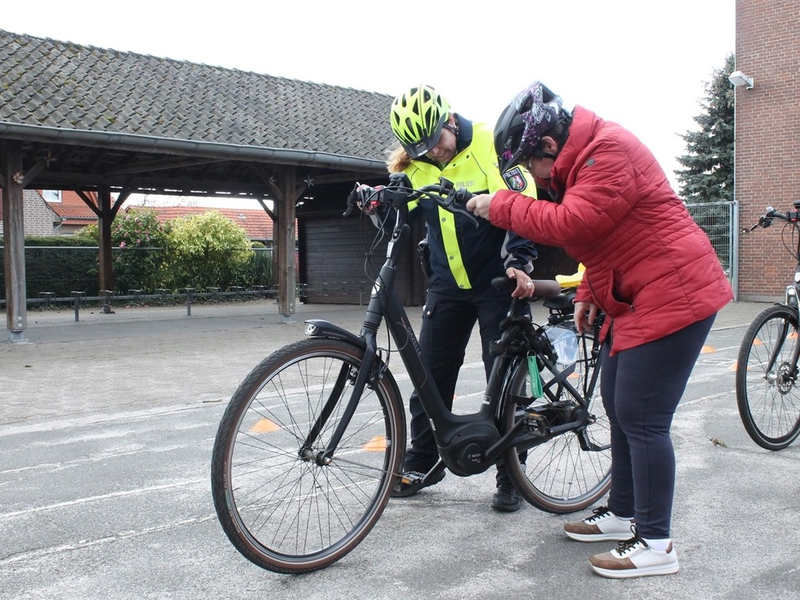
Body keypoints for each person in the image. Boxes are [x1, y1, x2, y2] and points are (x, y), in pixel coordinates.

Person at [466, 81, 733, 576]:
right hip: (640, 293)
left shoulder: (607, 150)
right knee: (616, 399)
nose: (535, 179)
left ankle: (656, 544)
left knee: (643, 415)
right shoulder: (584, 156)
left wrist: (498, 203)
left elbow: (575, 224)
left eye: (531, 167)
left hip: (677, 292)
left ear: (548, 145)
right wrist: (589, 291)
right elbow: (606, 238)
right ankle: (623, 513)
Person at [384, 84, 540, 512]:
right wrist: (378, 201)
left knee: (505, 382)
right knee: (429, 376)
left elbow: (523, 203)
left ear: (449, 122)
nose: (431, 153)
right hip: (447, 285)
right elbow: (404, 207)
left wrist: (521, 260)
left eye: (435, 142)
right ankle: (424, 458)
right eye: (419, 149)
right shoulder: (419, 162)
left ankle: (512, 474)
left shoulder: (492, 143)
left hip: (497, 282)